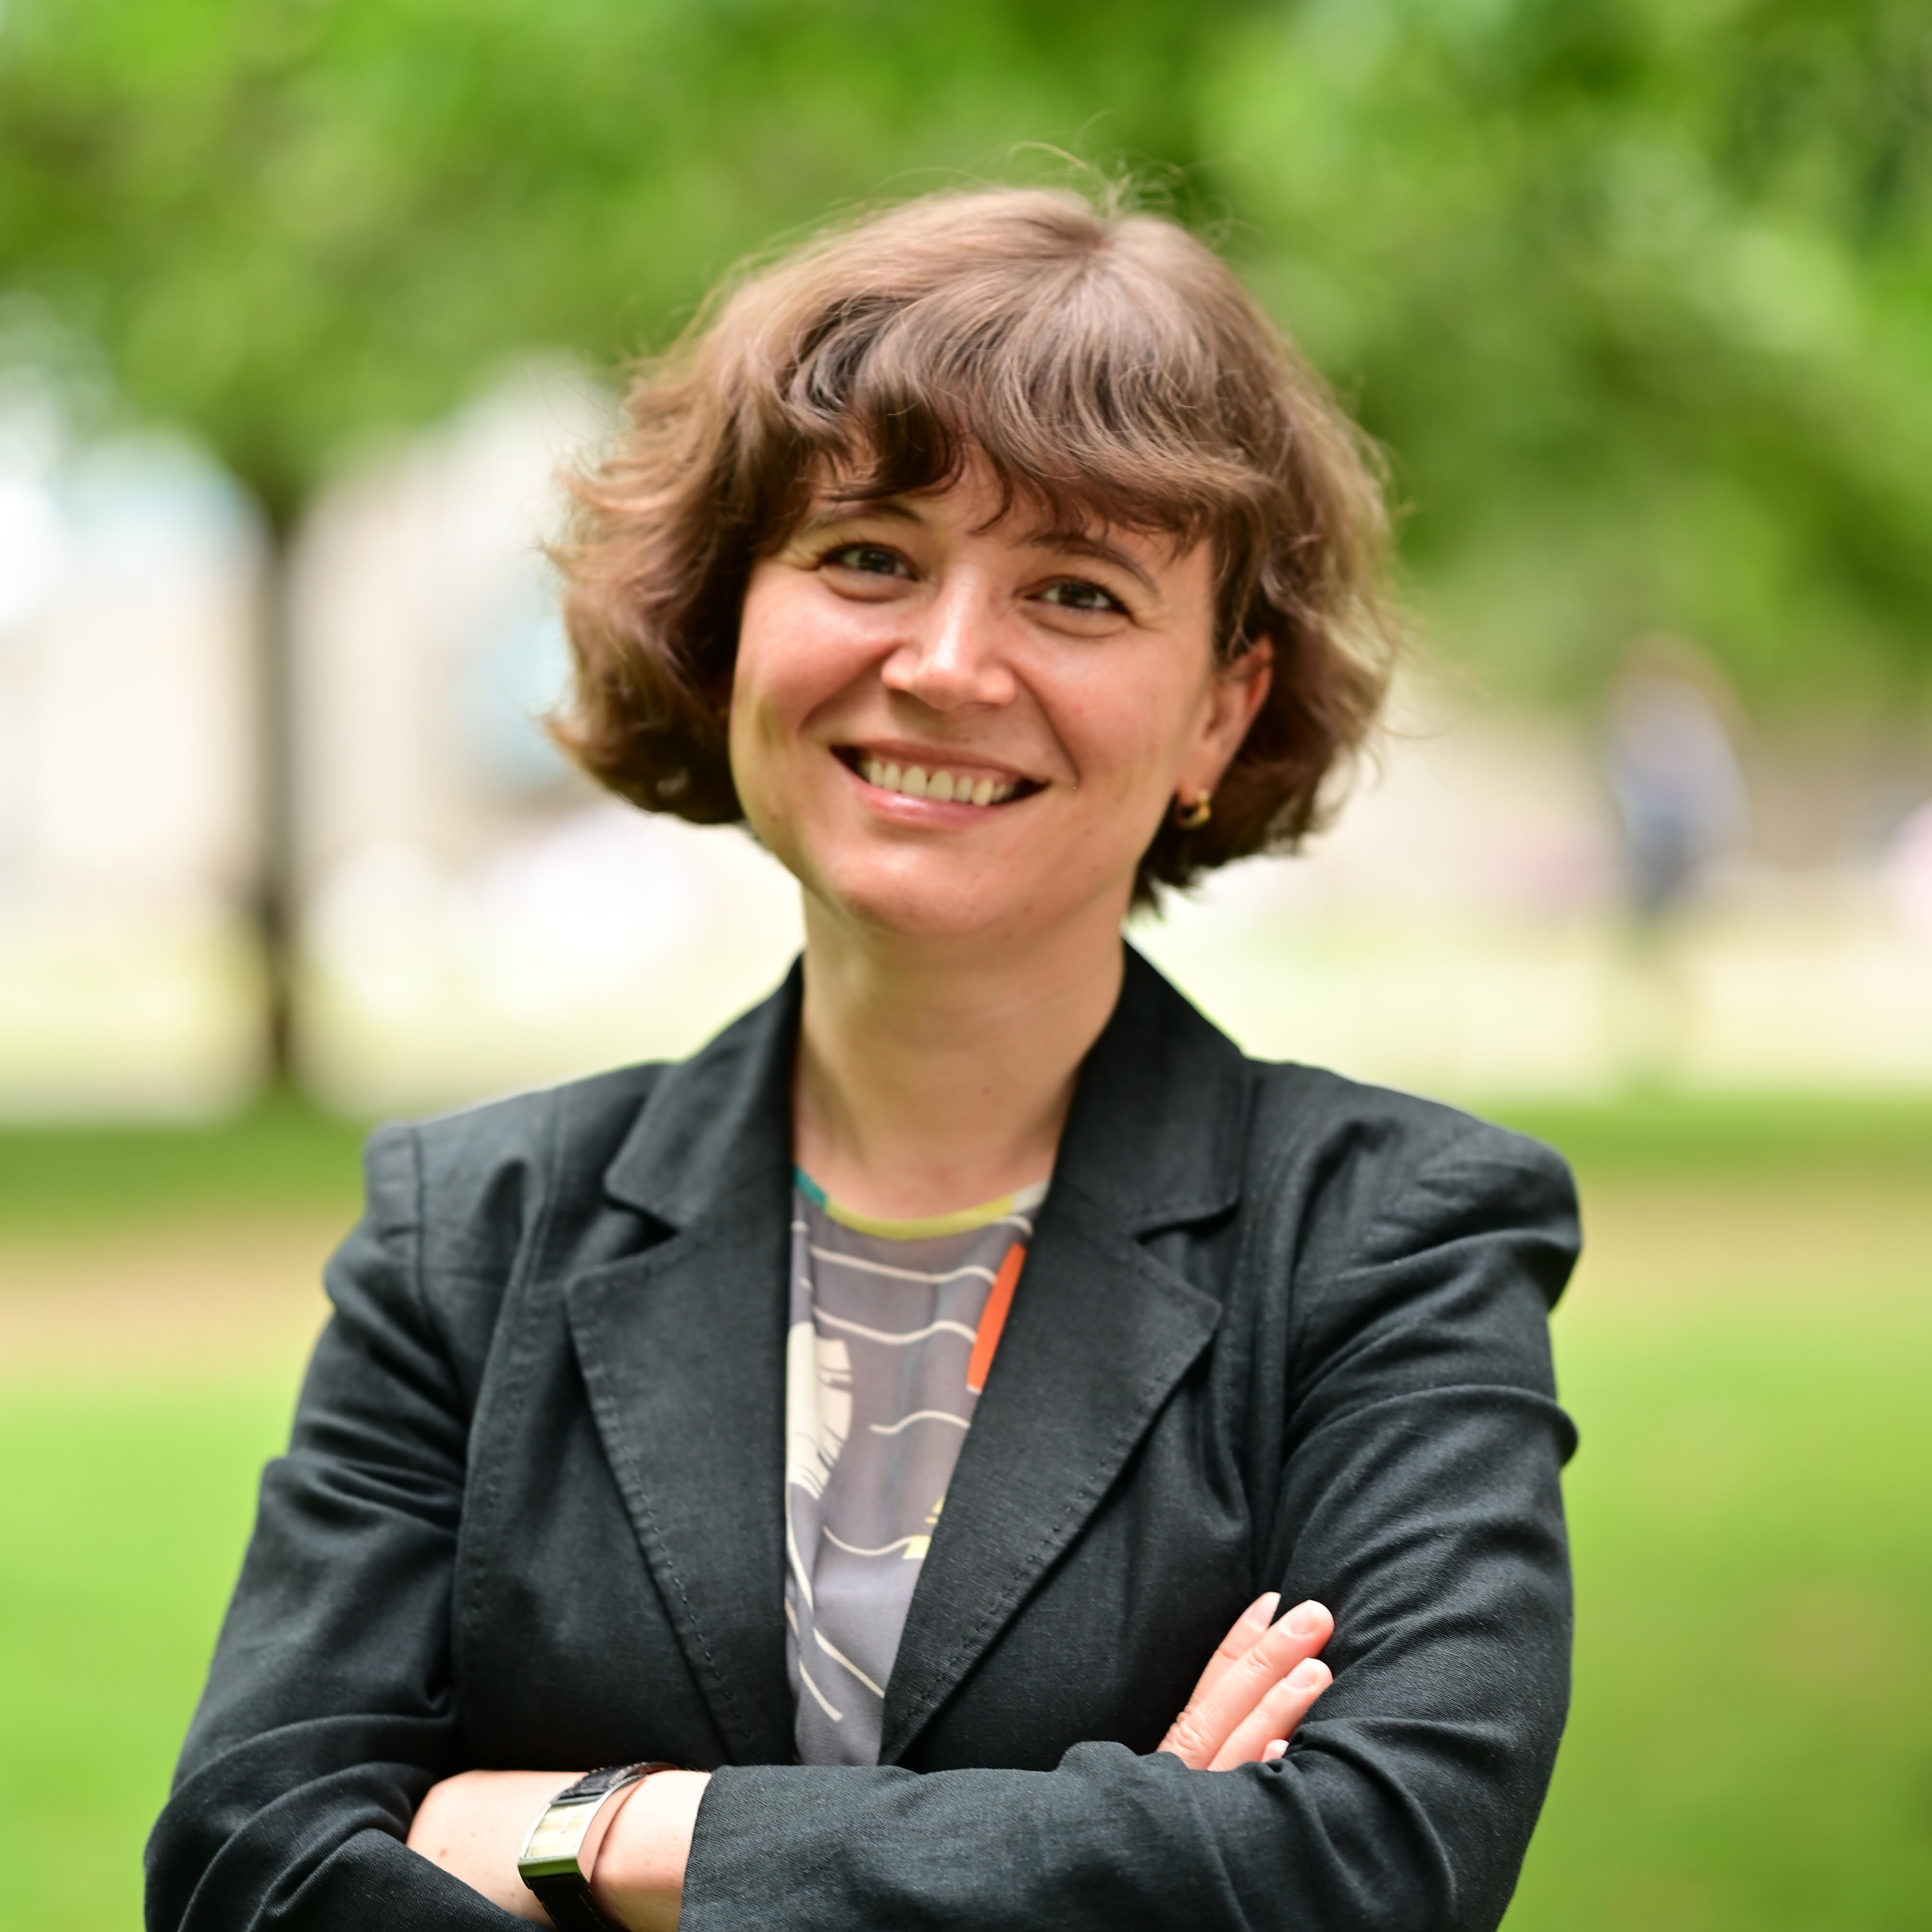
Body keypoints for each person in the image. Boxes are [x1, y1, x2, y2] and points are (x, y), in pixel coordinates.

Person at [148, 185, 1579, 1932]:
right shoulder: (471, 1231)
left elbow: (1365, 1867)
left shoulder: (1389, 1241)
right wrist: (1134, 1851)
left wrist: (598, 1832)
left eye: (1073, 588)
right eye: (868, 556)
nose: (948, 662)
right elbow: (246, 1865)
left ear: (1220, 706)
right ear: (729, 621)